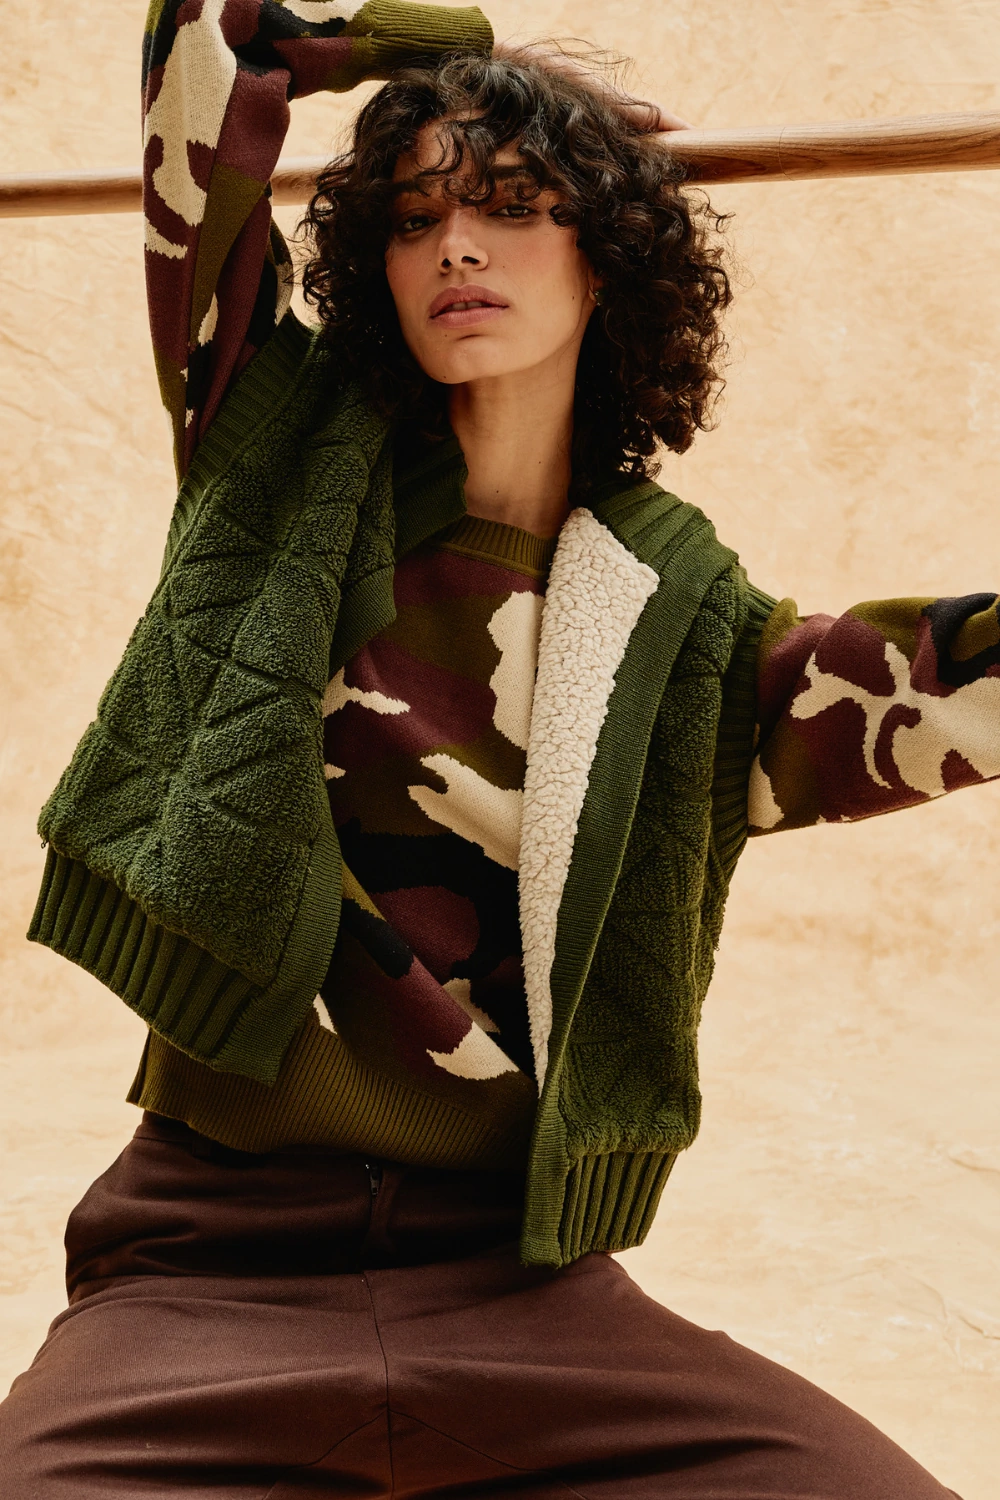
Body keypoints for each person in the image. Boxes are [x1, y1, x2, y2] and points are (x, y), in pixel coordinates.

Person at [0, 0, 992, 1493]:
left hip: (528, 1297)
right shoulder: (272, 449)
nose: (458, 244)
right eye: (416, 217)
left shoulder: (686, 631)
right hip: (207, 1271)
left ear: (611, 260)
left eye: (517, 205)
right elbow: (210, 33)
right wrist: (470, 58)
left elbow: (940, 687)